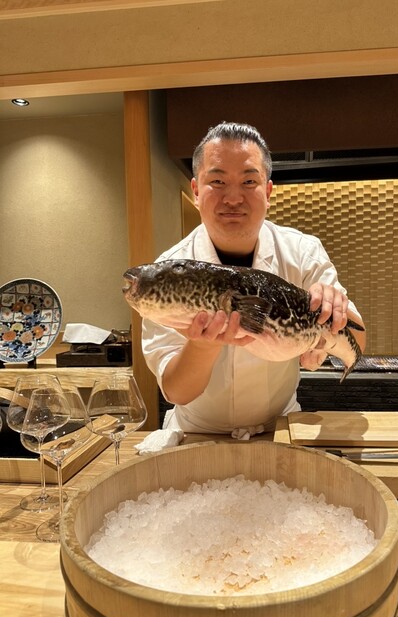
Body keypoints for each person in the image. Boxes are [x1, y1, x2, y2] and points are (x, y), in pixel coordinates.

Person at [142, 122, 366, 439]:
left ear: (268, 191)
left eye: (249, 181)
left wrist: (328, 325)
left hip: (281, 431)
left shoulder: (303, 252)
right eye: (217, 181)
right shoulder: (166, 278)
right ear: (196, 190)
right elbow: (176, 390)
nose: (233, 198)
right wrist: (202, 345)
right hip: (196, 435)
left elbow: (357, 341)